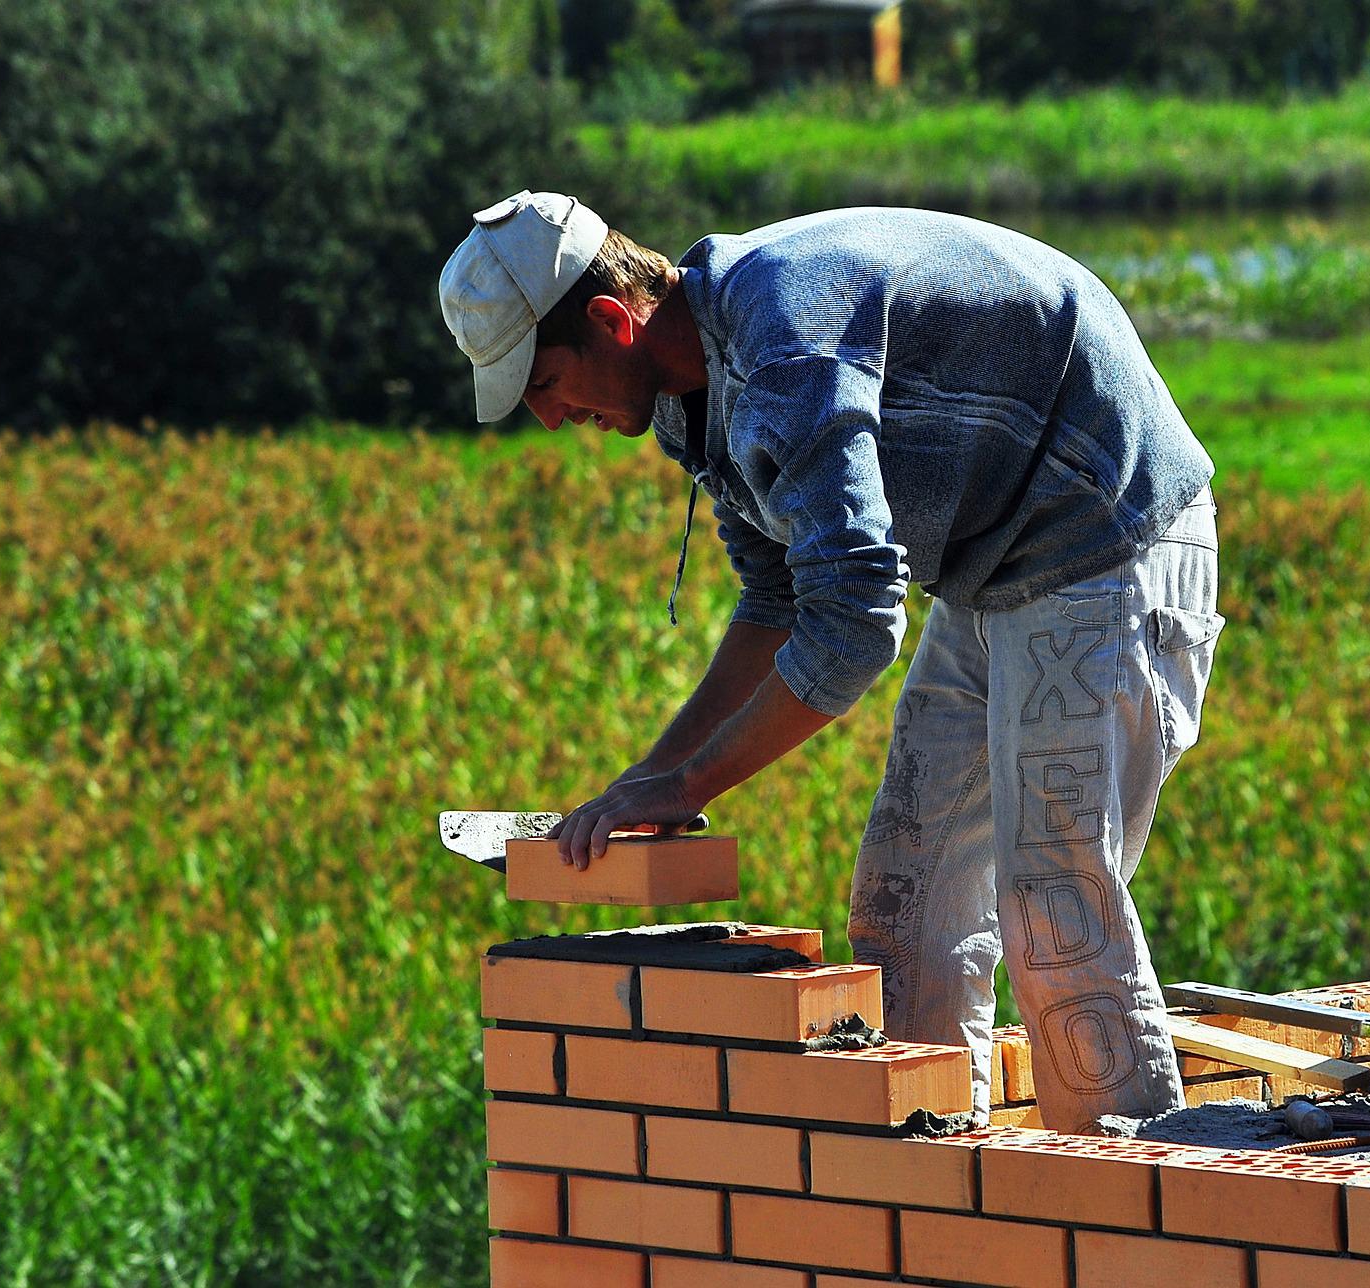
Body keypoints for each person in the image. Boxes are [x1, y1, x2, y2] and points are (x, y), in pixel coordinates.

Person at [438, 191, 1224, 1132]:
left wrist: (687, 782)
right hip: (993, 562)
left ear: (612, 320)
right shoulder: (701, 398)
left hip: (1103, 530)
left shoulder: (782, 341)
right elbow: (779, 602)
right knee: (905, 904)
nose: (552, 418)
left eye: (544, 385)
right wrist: (647, 782)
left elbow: (854, 624)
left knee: (1054, 903)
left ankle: (1131, 1215)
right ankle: (941, 1196)